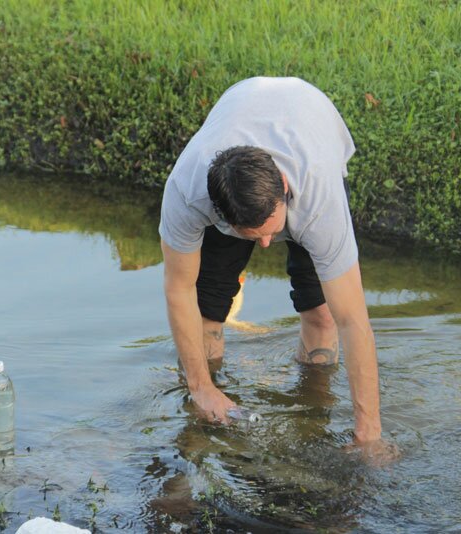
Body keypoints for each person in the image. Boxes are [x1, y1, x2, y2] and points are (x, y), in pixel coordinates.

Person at [159, 76, 393, 456]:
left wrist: (370, 434)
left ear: (284, 185)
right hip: (238, 122)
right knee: (207, 312)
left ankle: (313, 415)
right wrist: (201, 388)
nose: (267, 245)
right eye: (253, 236)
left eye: (272, 231)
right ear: (220, 215)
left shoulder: (319, 197)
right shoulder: (188, 194)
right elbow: (178, 289)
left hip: (308, 116)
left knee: (322, 314)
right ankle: (207, 411)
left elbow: (354, 320)